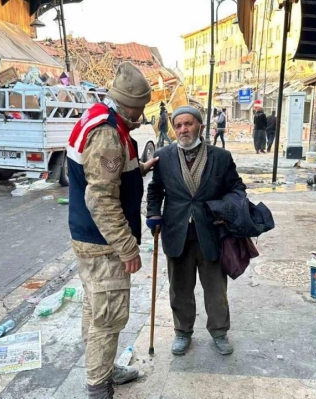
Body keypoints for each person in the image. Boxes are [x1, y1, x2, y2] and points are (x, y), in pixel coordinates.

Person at [67, 62, 159, 399]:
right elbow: (101, 199)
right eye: (140, 108)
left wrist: (140, 170)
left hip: (89, 238)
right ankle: (97, 388)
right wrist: (127, 247)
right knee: (108, 316)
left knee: (96, 308)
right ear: (126, 104)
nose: (142, 114)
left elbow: (111, 176)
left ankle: (103, 369)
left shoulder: (102, 117)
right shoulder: (107, 131)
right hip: (103, 244)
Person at [146, 106, 247, 357]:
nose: (183, 129)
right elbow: (155, 190)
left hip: (210, 231)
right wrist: (153, 214)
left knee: (215, 288)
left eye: (188, 124)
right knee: (179, 287)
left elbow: (237, 189)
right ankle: (182, 332)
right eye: (178, 125)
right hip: (176, 231)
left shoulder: (221, 157)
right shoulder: (164, 156)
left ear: (200, 126)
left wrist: (225, 210)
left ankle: (219, 332)